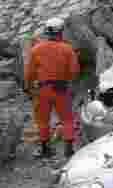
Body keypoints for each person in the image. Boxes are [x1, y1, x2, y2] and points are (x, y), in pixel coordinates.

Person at [23, 17, 80, 159]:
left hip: (42, 90)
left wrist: (28, 88)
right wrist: (67, 81)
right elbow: (74, 71)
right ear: (61, 32)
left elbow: (29, 73)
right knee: (67, 119)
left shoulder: (36, 49)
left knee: (42, 120)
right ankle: (69, 149)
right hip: (61, 88)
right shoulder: (68, 49)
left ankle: (45, 149)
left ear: (46, 32)